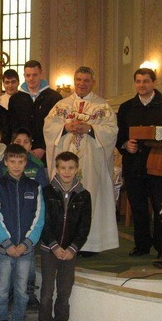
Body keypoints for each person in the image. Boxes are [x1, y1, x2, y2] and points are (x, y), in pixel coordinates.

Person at [43, 66, 119, 254]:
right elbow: (48, 128)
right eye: (79, 80)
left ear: (93, 82)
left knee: (89, 198)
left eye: (86, 80)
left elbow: (112, 132)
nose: (82, 83)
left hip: (91, 165)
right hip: (66, 165)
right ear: (74, 81)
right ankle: (63, 241)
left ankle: (89, 245)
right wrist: (65, 127)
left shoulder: (102, 107)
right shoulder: (61, 106)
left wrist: (91, 129)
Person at [117, 68, 162, 257]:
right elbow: (118, 134)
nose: (142, 85)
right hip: (134, 165)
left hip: (159, 164)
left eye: (146, 81)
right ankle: (142, 245)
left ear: (154, 82)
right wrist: (125, 144)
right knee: (138, 208)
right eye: (138, 81)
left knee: (160, 207)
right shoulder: (126, 107)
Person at [0, 144, 44, 321]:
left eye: (20, 161)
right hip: (4, 250)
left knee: (22, 290)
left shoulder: (34, 187)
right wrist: (7, 244)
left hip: (25, 250)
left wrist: (27, 243)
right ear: (6, 162)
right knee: (1, 290)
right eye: (12, 161)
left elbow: (39, 218)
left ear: (26, 162)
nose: (17, 165)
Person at [37, 151, 91, 321]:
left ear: (77, 169)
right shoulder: (46, 192)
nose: (67, 172)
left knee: (64, 290)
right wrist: (53, 246)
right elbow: (42, 223)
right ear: (57, 169)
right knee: (46, 291)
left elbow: (84, 227)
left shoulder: (84, 195)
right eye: (63, 168)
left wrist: (72, 248)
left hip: (69, 252)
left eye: (71, 168)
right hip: (49, 250)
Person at [8, 60, 62, 164]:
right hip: (21, 153)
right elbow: (14, 127)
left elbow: (56, 127)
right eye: (28, 75)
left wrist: (42, 147)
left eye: (35, 75)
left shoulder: (54, 98)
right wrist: (23, 147)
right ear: (24, 75)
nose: (31, 78)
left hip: (47, 152)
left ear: (41, 74)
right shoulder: (15, 99)